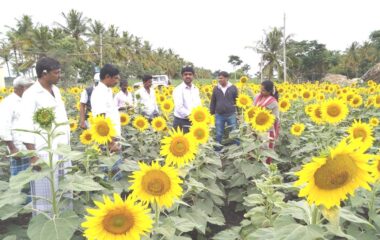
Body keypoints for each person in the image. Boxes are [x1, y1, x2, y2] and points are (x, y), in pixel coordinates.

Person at [18, 57, 72, 213]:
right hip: (43, 151)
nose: (59, 76)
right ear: (44, 73)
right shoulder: (31, 94)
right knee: (45, 193)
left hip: (61, 149)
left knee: (63, 190)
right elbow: (26, 126)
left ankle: (62, 222)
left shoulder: (56, 91)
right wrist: (33, 156)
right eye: (56, 73)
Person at [0, 76, 34, 177]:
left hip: (31, 148)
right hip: (19, 149)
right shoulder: (8, 102)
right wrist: (13, 149)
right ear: (22, 88)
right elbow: (3, 128)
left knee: (33, 181)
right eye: (29, 87)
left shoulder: (27, 101)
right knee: (21, 183)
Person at [90, 64, 121, 151]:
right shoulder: (99, 92)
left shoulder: (108, 91)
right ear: (107, 77)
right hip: (107, 142)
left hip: (113, 138)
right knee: (109, 164)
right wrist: (111, 143)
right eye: (115, 78)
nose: (117, 81)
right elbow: (101, 119)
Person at [210, 71, 238, 150]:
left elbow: (237, 100)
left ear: (227, 78)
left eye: (221, 78)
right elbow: (213, 101)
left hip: (231, 114)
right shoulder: (216, 88)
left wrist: (239, 113)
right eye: (218, 78)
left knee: (234, 132)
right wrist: (211, 112)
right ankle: (218, 151)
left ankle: (236, 149)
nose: (219, 80)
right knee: (219, 133)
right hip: (219, 115)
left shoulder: (233, 88)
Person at [253, 80, 280, 164]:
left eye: (263, 90)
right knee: (254, 150)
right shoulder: (257, 97)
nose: (261, 91)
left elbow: (275, 118)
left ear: (269, 91)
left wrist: (265, 117)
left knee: (266, 151)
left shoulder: (273, 102)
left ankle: (265, 171)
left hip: (267, 130)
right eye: (260, 89)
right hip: (255, 128)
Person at [173, 65, 201, 133]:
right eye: (185, 74)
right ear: (182, 76)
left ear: (193, 76)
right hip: (181, 122)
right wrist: (193, 117)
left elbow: (198, 105)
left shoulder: (195, 89)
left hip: (194, 121)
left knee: (194, 142)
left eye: (190, 74)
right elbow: (179, 108)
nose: (188, 76)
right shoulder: (178, 89)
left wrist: (200, 116)